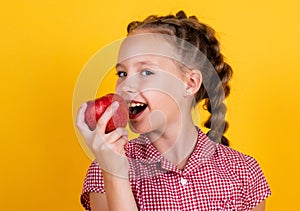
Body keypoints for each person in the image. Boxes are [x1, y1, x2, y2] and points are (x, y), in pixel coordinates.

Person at [76, 11, 271, 211]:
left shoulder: (244, 172)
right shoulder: (104, 170)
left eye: (146, 72)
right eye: (122, 73)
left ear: (190, 83)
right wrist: (114, 172)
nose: (126, 86)